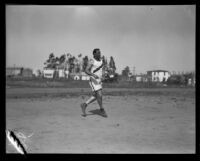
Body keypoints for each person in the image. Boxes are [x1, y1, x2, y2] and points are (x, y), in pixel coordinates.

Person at [80, 48, 107, 117]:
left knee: (96, 96)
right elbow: (86, 70)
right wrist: (93, 75)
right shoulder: (92, 61)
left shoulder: (101, 60)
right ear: (94, 54)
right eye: (98, 53)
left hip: (99, 80)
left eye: (100, 53)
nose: (99, 54)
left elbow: (102, 69)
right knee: (100, 95)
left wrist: (103, 75)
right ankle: (102, 109)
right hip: (93, 80)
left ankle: (84, 105)